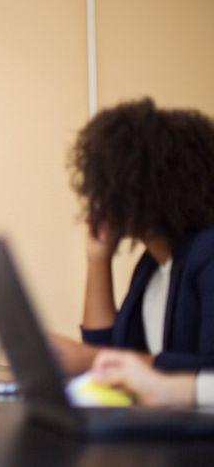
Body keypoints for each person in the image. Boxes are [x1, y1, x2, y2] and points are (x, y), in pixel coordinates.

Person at [52, 98, 214, 375]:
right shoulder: (152, 264)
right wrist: (97, 259)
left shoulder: (207, 251)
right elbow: (105, 348)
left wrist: (92, 359)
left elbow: (209, 370)